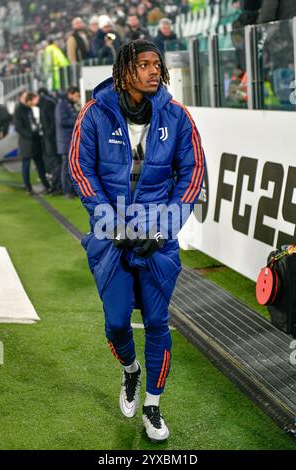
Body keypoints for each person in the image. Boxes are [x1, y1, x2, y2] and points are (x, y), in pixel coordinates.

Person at [68, 40, 205, 442]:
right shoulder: (94, 114)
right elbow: (80, 170)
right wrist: (111, 222)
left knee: (158, 322)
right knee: (115, 323)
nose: (152, 71)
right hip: (110, 234)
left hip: (159, 232)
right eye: (143, 64)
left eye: (156, 65)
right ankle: (130, 371)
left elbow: (192, 173)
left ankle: (153, 406)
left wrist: (165, 228)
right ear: (124, 70)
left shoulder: (177, 116)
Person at [14, 92, 50, 195]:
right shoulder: (18, 110)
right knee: (26, 165)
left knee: (40, 164)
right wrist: (30, 135)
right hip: (26, 143)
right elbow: (18, 127)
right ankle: (28, 187)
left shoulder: (29, 109)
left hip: (35, 141)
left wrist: (37, 133)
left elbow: (32, 123)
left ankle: (46, 185)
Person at [55, 85, 80, 197]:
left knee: (72, 167)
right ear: (70, 94)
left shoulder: (69, 105)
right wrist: (77, 119)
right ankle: (67, 191)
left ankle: (72, 190)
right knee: (66, 168)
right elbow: (62, 121)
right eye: (76, 96)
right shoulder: (62, 105)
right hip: (65, 142)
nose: (77, 98)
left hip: (71, 141)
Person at [38, 88, 62, 195]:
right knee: (55, 164)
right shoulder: (49, 103)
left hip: (53, 141)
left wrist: (47, 135)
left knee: (56, 164)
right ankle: (56, 186)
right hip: (51, 141)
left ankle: (57, 187)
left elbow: (52, 124)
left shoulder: (48, 104)